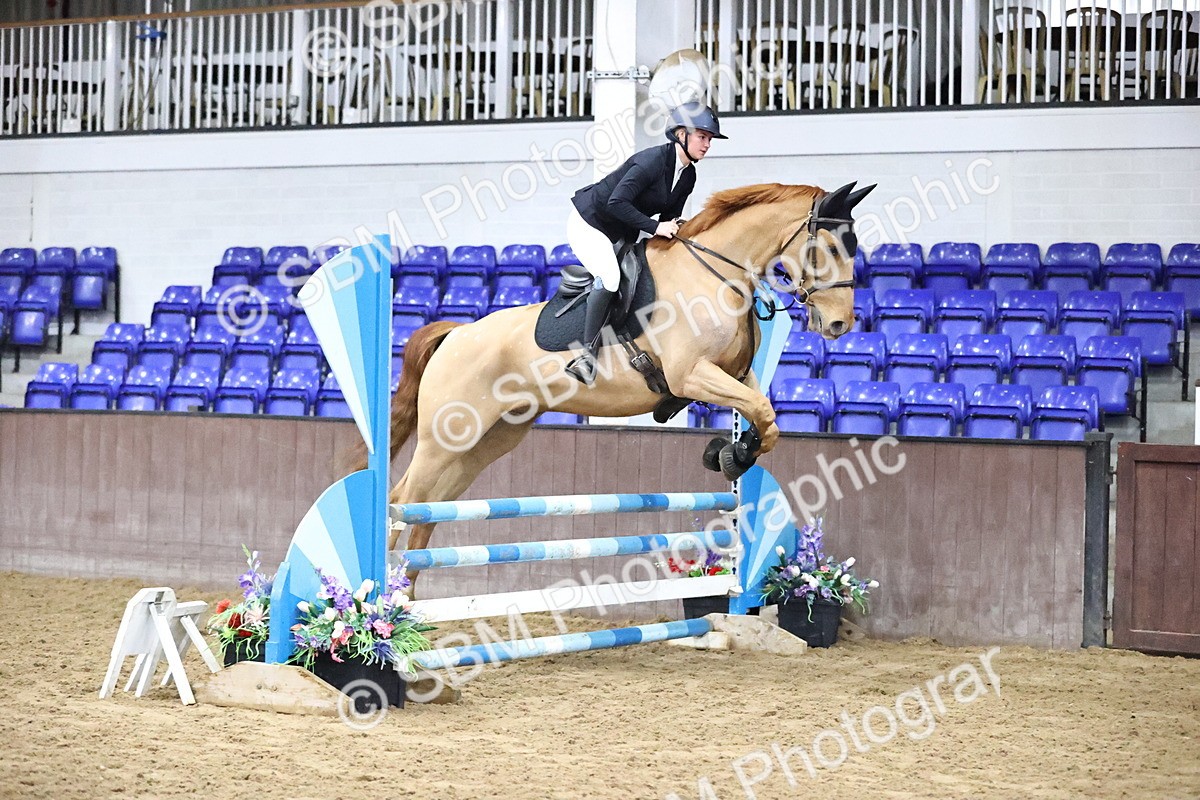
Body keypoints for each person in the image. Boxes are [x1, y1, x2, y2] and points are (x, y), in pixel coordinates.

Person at [563, 101, 728, 385]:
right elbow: (616, 202)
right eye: (702, 137)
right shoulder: (650, 161)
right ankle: (585, 356)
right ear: (680, 134)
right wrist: (656, 226)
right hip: (590, 223)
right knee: (611, 277)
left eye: (709, 139)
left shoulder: (688, 174)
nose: (707, 144)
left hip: (623, 229)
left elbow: (669, 216)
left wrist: (679, 227)